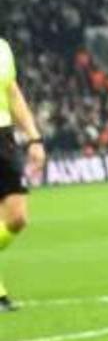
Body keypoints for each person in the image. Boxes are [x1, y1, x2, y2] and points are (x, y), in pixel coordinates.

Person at [0, 36, 46, 313]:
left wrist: (34, 138)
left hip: (3, 138)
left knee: (16, 218)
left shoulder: (3, 48)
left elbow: (13, 94)